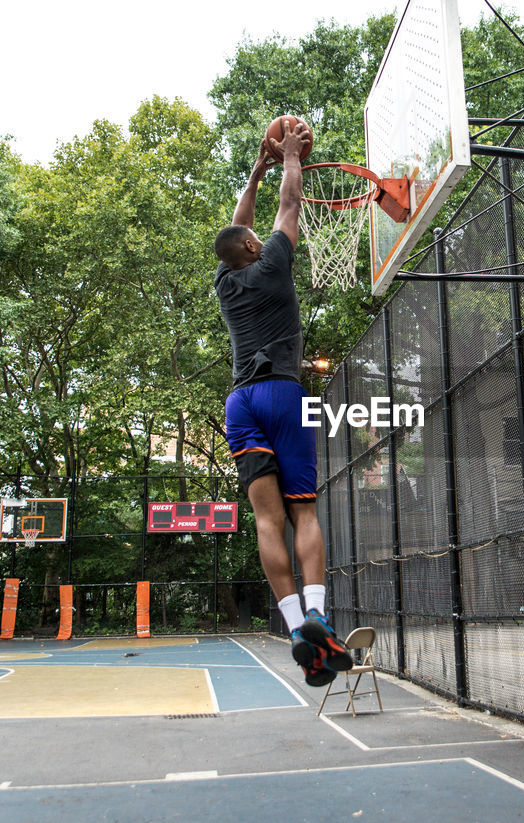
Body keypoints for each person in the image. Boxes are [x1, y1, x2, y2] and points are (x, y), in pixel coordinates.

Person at [212, 121, 351, 686]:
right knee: (304, 512)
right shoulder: (271, 265)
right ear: (253, 249)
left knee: (267, 519)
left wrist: (255, 170)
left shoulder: (226, 282)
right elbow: (290, 204)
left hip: (240, 403)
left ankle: (296, 628)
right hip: (283, 395)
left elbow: (237, 227)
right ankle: (317, 610)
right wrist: (288, 158)